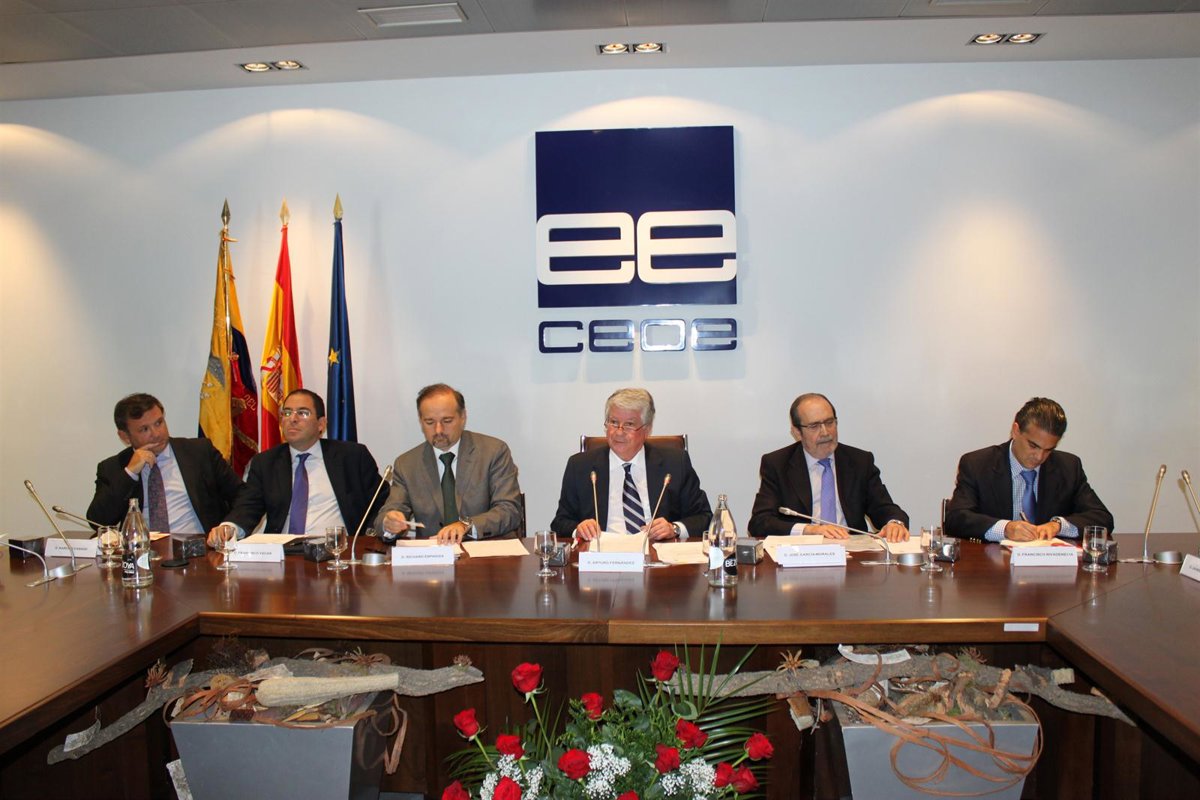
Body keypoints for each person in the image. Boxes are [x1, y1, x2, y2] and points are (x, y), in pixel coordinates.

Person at [208, 389, 387, 546]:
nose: (292, 419)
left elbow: (381, 500)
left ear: (321, 424)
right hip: (283, 553)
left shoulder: (352, 457)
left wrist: (368, 537)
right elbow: (248, 506)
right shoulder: (265, 462)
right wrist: (229, 528)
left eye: (303, 413)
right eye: (287, 413)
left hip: (336, 553)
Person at [551, 388, 711, 541]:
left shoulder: (675, 463)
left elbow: (703, 517)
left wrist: (674, 528)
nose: (619, 432)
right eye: (614, 422)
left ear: (647, 430)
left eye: (629, 424)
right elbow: (560, 523)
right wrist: (578, 529)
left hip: (656, 552)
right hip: (603, 554)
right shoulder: (580, 466)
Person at [945, 397, 1113, 542]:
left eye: (1049, 450)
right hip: (993, 564)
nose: (1039, 457)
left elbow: (1102, 517)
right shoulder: (977, 464)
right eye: (1033, 446)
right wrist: (1006, 529)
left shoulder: (1068, 467)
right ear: (1016, 431)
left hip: (1050, 566)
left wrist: (1059, 525)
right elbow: (956, 519)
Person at [748, 393, 910, 542]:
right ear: (797, 432)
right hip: (800, 553)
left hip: (852, 552)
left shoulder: (859, 462)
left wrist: (894, 523)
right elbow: (759, 522)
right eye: (814, 426)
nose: (825, 432)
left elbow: (884, 508)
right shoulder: (777, 464)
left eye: (829, 422)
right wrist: (809, 530)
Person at [375, 384, 522, 545]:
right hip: (433, 554)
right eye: (429, 422)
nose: (438, 430)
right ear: (420, 421)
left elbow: (510, 510)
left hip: (487, 551)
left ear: (463, 417)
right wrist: (389, 523)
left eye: (447, 420)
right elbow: (389, 512)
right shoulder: (407, 464)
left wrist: (466, 525)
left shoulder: (493, 452)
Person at [88, 393, 243, 533]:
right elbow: (98, 522)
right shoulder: (113, 468)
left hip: (200, 548)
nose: (156, 434)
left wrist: (228, 527)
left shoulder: (199, 452)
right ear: (125, 437)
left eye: (159, 423)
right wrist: (130, 473)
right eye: (144, 429)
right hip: (144, 551)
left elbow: (242, 495)